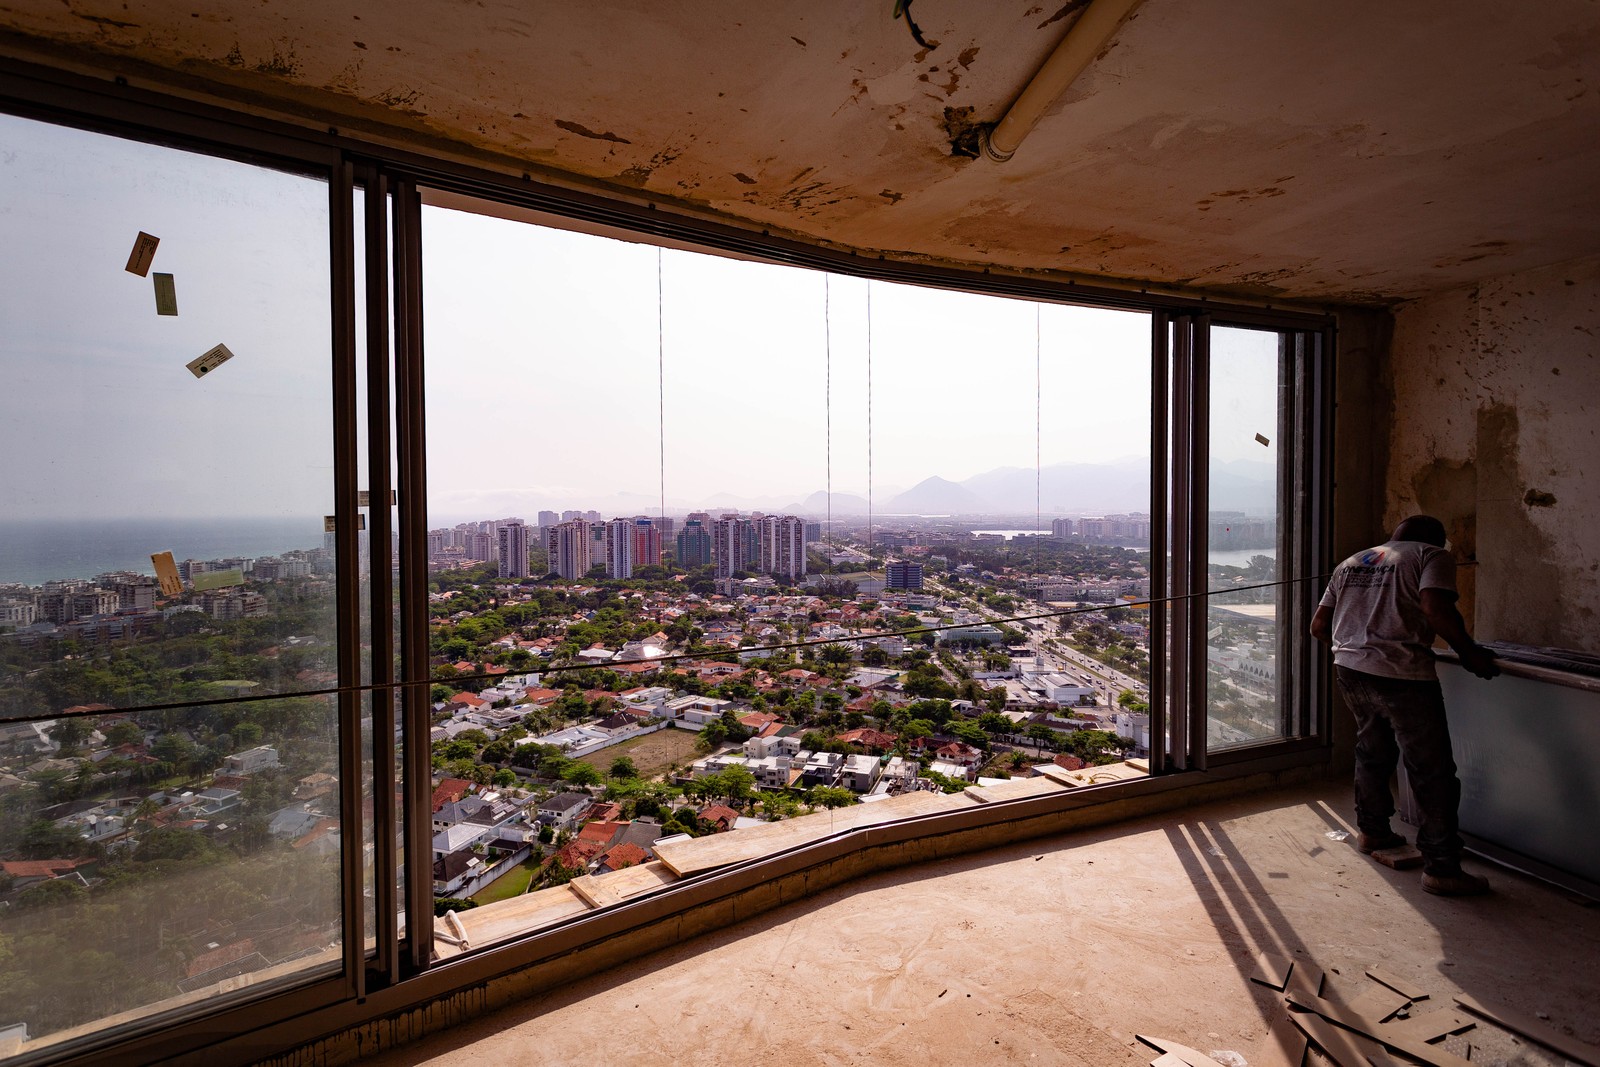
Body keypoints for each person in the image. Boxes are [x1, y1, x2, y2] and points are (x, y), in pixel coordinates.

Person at [1310, 515, 1499, 896]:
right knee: (1431, 770)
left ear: (1394, 536)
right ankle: (1442, 866)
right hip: (1402, 674)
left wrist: (1359, 647)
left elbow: (1319, 626)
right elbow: (1435, 607)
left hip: (1350, 668)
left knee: (1372, 752)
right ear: (1437, 539)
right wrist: (1469, 653)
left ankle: (1373, 833)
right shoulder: (1432, 555)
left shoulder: (1353, 561)